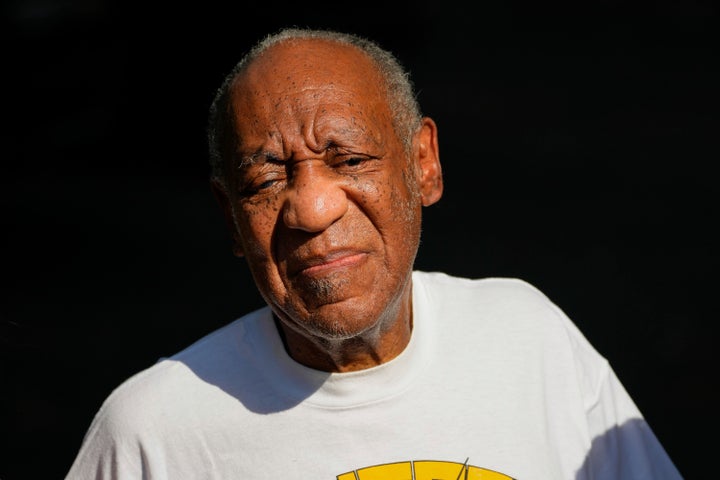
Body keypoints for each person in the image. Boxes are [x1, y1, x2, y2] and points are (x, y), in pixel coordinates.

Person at [65, 28, 682, 479]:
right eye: (265, 182)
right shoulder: (153, 432)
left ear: (424, 165)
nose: (311, 209)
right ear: (231, 218)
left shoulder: (529, 339)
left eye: (350, 160)